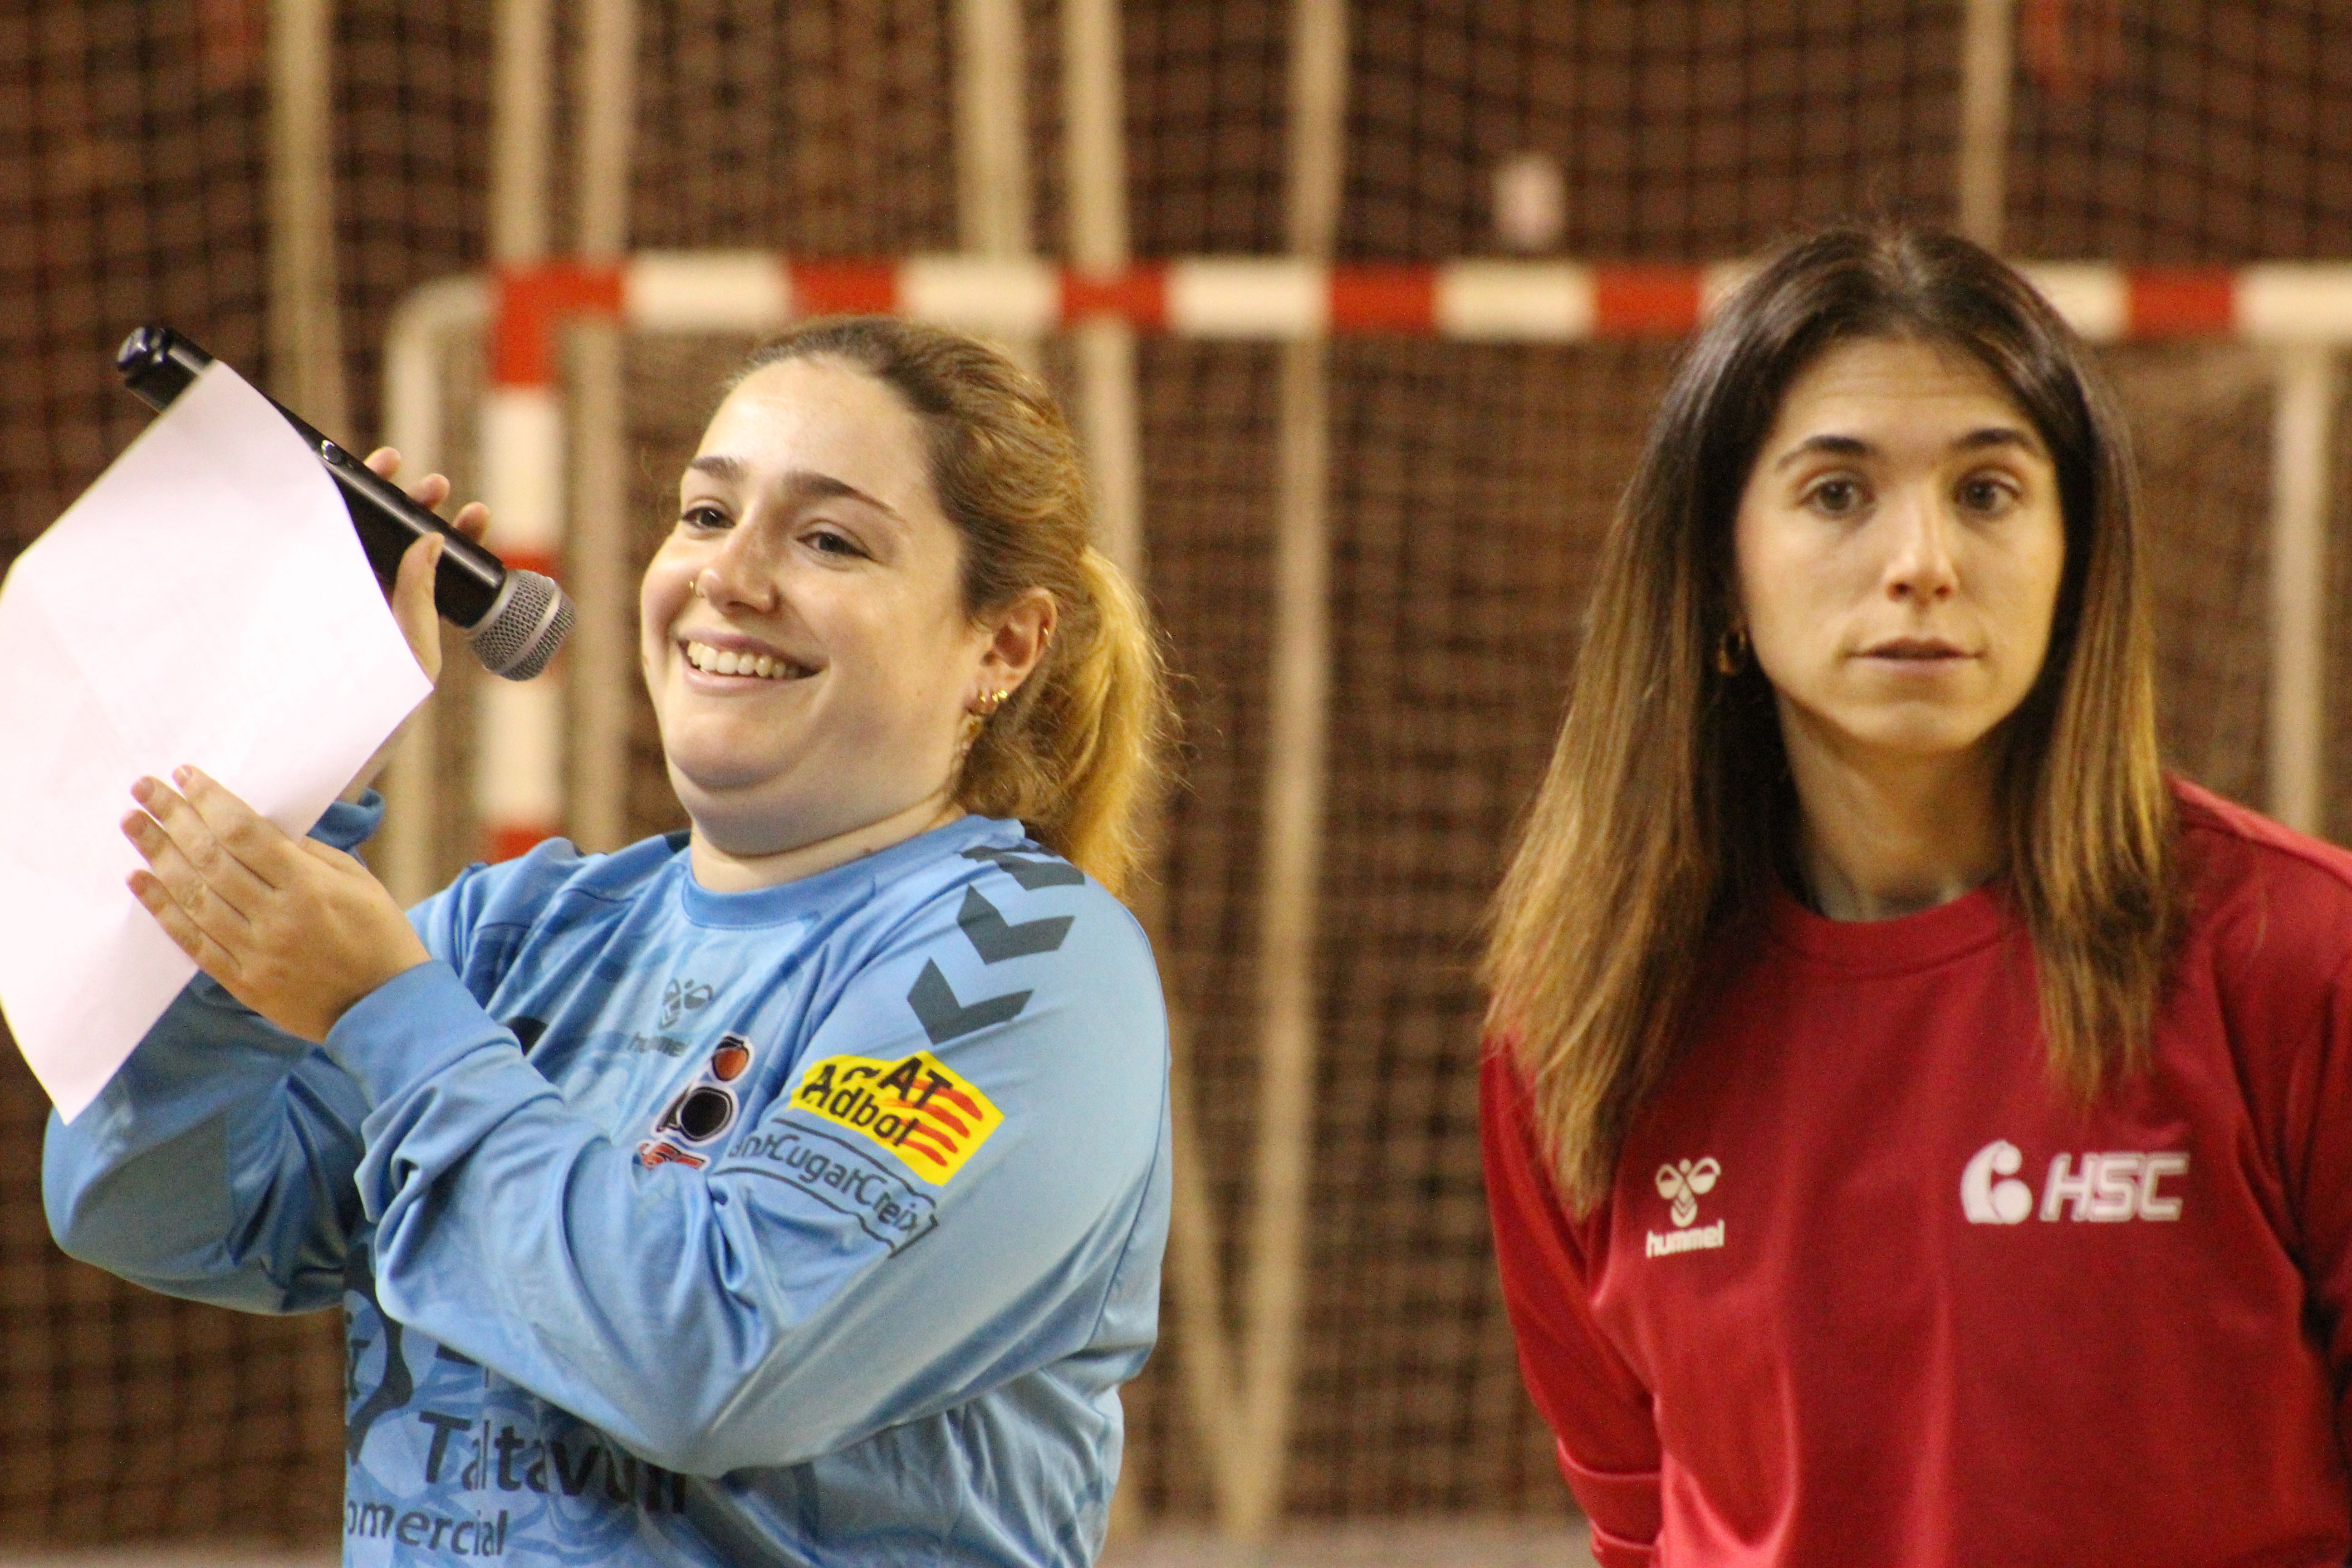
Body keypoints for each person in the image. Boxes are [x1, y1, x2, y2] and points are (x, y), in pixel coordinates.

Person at [44, 316, 1175, 1568]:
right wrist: (293, 767)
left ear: (1003, 645)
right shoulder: (518, 928)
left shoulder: (1022, 970)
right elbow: (155, 1209)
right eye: (704, 515)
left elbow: (714, 1364)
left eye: (830, 540)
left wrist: (388, 1015)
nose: (729, 578)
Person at [1480, 228, 2352, 1565]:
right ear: (1720, 566)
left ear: (2078, 560)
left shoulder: (2298, 958)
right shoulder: (1579, 1025)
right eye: (1838, 494)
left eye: (1990, 493)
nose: (1922, 561)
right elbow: (1640, 1519)